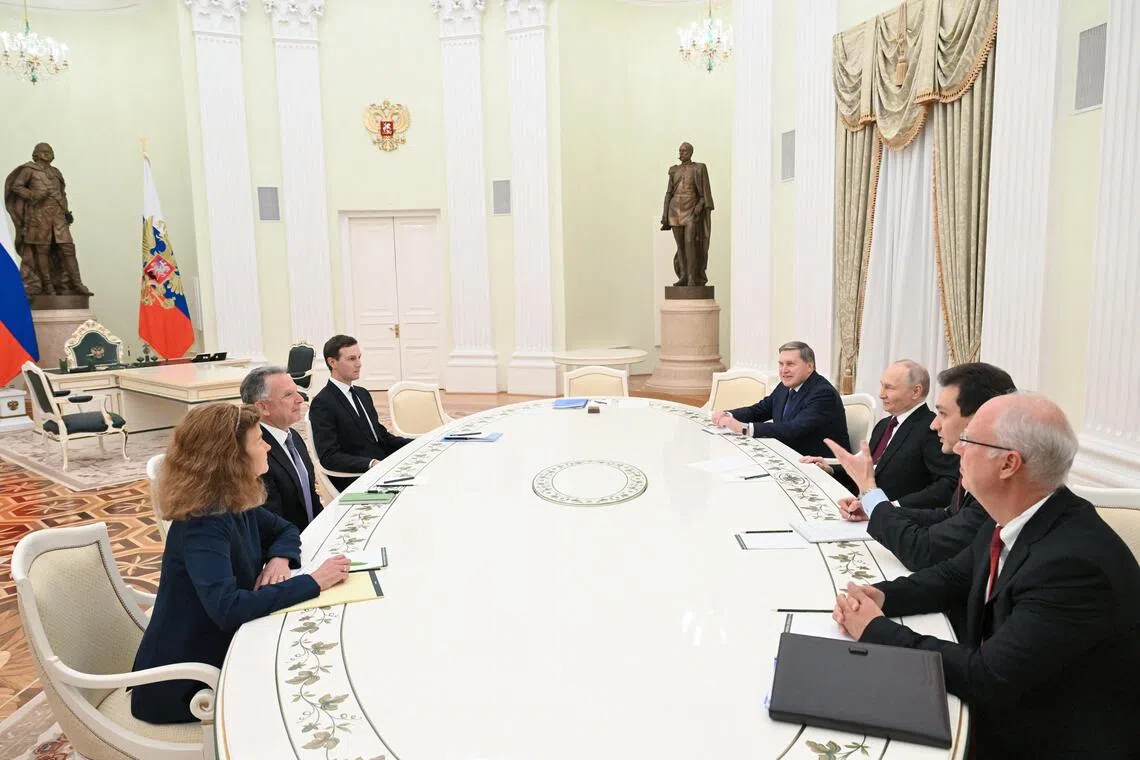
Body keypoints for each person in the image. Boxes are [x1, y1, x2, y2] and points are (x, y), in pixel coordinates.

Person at [832, 393, 1140, 758]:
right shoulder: (1017, 512)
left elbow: (987, 678)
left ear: (1009, 464)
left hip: (1050, 735)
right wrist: (883, 595)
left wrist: (876, 630)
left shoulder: (1073, 565)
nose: (956, 450)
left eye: (970, 441)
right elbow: (953, 576)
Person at [131, 403, 350, 724]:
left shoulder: (234, 500)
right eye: (259, 441)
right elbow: (228, 608)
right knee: (299, 701)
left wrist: (279, 558)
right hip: (184, 683)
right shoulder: (203, 521)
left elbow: (285, 529)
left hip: (222, 647)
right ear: (232, 458)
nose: (267, 446)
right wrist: (314, 581)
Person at [826, 362, 1015, 572]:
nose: (935, 424)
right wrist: (874, 508)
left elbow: (923, 551)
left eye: (943, 413)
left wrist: (874, 497)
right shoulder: (883, 425)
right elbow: (949, 516)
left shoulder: (996, 489)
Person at [803, 360, 958, 508]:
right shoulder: (884, 425)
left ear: (916, 391)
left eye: (889, 388)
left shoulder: (932, 429)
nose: (881, 394)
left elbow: (948, 485)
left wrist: (894, 506)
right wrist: (830, 469)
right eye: (882, 386)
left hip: (897, 521)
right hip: (860, 510)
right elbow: (871, 472)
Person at [309, 335, 412, 492]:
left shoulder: (362, 394)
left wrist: (416, 443)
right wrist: (370, 463)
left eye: (359, 357)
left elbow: (381, 437)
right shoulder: (323, 403)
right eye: (351, 359)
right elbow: (329, 457)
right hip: (357, 479)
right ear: (332, 362)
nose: (359, 364)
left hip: (382, 468)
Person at [712, 341, 850, 457]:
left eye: (790, 364)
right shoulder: (786, 386)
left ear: (809, 366)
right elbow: (759, 410)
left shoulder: (823, 393)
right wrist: (728, 415)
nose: (784, 370)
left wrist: (745, 428)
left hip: (822, 470)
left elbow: (793, 429)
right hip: (788, 456)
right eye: (781, 364)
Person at [3, 143, 92, 296]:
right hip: (38, 215)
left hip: (58, 216)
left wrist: (66, 211)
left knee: (68, 247)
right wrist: (33, 195)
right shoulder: (28, 170)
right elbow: (16, 187)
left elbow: (62, 194)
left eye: (49, 151)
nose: (47, 153)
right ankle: (47, 285)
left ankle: (76, 283)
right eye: (43, 151)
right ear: (36, 154)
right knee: (42, 250)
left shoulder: (56, 172)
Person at [240, 366, 322, 530]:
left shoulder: (293, 436)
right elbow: (270, 523)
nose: (300, 399)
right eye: (288, 395)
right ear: (262, 407)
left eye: (296, 391)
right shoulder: (256, 452)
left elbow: (310, 497)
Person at [660, 142, 714, 287]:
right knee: (680, 245)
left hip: (690, 209)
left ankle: (692, 277)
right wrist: (664, 215)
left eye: (684, 150)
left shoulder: (699, 168)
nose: (681, 152)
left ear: (690, 152)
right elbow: (668, 193)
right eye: (680, 150)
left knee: (690, 242)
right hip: (674, 210)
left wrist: (699, 206)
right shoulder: (673, 170)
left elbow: (704, 195)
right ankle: (683, 275)